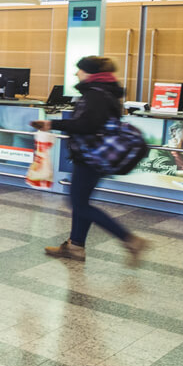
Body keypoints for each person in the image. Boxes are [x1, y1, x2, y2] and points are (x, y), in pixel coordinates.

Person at [31, 55, 150, 263]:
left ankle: (129, 239)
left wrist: (52, 125)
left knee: (79, 204)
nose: (76, 73)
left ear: (89, 72)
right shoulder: (103, 92)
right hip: (93, 156)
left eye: (79, 70)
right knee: (80, 202)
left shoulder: (96, 94)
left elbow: (87, 125)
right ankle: (75, 246)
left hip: (91, 156)